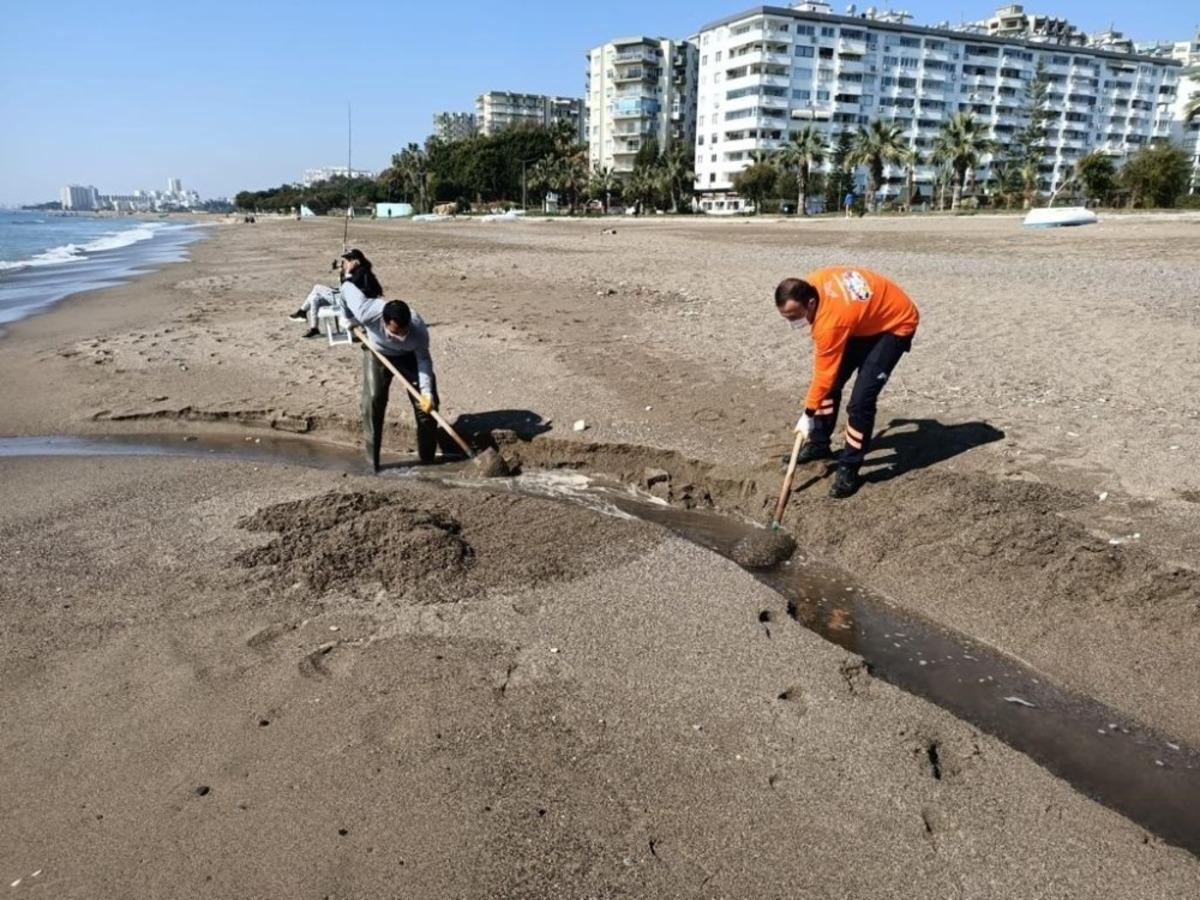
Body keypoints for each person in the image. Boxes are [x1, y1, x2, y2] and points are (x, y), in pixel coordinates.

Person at [775, 268, 919, 499]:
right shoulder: (812, 284)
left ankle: (849, 467)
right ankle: (819, 444)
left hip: (896, 324)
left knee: (860, 402)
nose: (792, 322)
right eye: (786, 317)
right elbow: (827, 379)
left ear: (810, 303)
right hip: (863, 319)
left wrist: (808, 414)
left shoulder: (830, 323)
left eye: (794, 316)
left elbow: (823, 374)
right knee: (830, 386)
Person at [337, 280, 442, 471]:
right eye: (395, 333)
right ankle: (373, 463)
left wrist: (427, 392)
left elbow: (423, 360)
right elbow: (345, 288)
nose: (400, 336)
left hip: (408, 357)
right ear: (384, 323)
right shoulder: (367, 311)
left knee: (426, 408)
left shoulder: (418, 330)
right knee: (373, 400)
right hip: (377, 353)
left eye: (404, 332)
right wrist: (347, 317)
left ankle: (427, 462)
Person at [288, 249, 383, 339]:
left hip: (347, 303)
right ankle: (314, 328)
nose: (346, 263)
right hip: (345, 299)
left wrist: (346, 273)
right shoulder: (360, 270)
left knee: (317, 288)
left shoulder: (361, 272)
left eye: (348, 260)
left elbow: (348, 287)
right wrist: (343, 273)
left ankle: (302, 311)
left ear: (356, 261)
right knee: (314, 298)